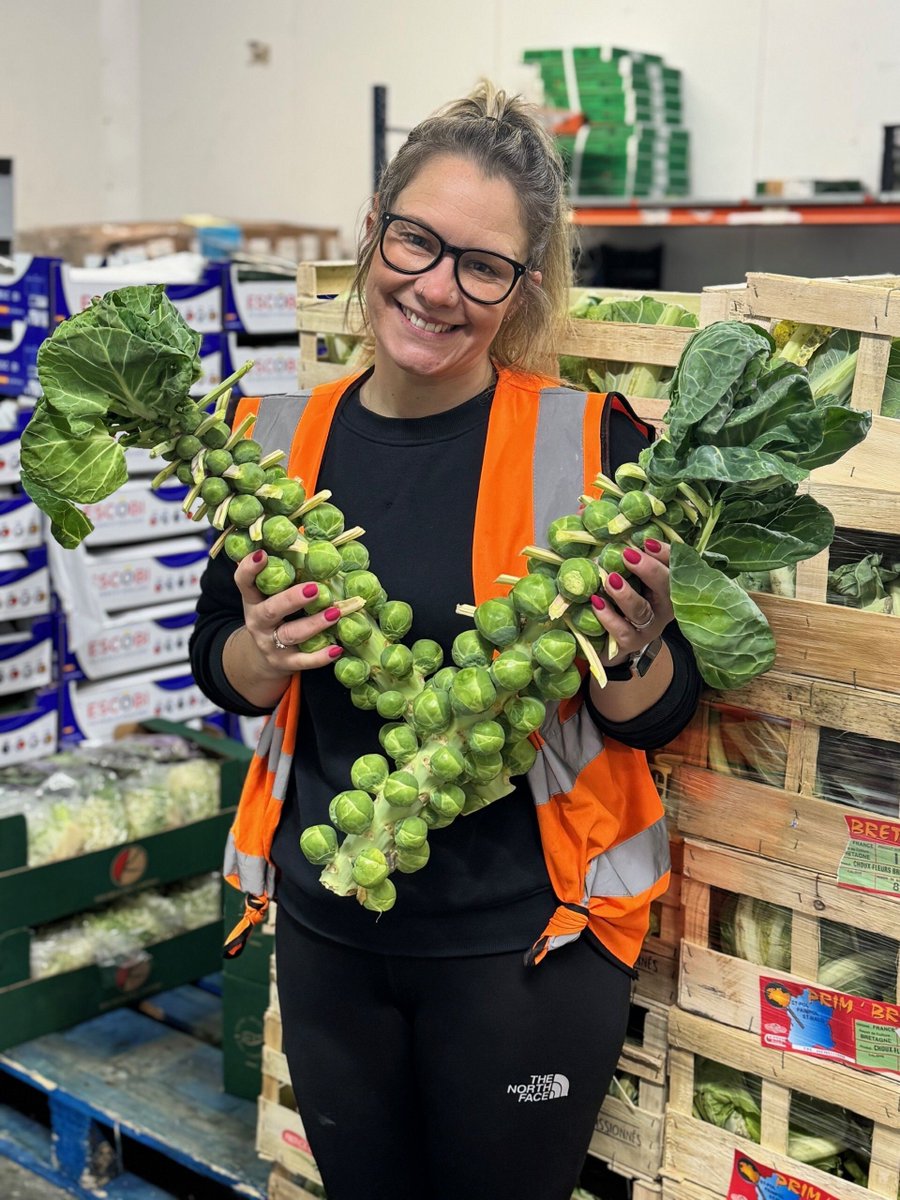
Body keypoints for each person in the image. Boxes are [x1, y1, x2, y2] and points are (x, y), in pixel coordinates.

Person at [190, 81, 702, 1200]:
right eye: (416, 240)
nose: (436, 288)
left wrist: (631, 645)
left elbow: (660, 712)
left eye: (483, 265)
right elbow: (217, 657)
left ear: (522, 288)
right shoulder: (270, 440)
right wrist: (263, 656)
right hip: (331, 921)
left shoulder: (592, 443)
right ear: (373, 230)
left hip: (528, 942)